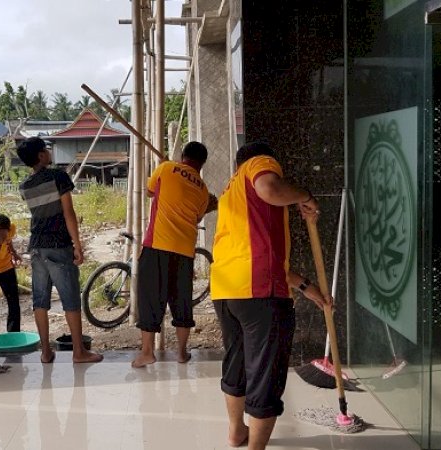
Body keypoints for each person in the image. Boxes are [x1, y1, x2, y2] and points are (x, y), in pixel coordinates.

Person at [210, 141, 331, 449]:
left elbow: (262, 257)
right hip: (259, 292)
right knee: (266, 373)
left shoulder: (231, 193)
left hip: (227, 290)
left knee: (237, 364)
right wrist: (305, 196)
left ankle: (237, 432)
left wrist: (306, 287)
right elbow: (269, 188)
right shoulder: (259, 163)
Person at [16, 137, 103, 364]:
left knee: (40, 300)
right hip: (58, 245)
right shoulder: (58, 176)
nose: (48, 152)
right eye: (45, 149)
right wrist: (78, 245)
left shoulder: (25, 186)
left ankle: (46, 352)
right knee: (70, 298)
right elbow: (68, 213)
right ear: (41, 155)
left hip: (36, 247)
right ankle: (78, 352)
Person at [131, 141, 211, 368]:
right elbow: (196, 218)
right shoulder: (203, 190)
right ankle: (182, 352)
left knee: (150, 300)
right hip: (185, 253)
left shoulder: (166, 168)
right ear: (202, 164)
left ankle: (147, 352)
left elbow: (149, 191)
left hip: (157, 246)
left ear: (183, 156)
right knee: (182, 302)